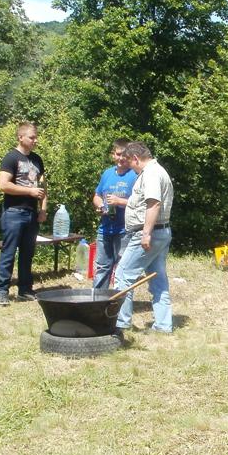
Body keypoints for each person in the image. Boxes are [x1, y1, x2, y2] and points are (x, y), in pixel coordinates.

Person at [114, 141, 174, 335]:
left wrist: (146, 234)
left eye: (132, 165)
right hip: (161, 232)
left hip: (149, 233)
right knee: (158, 279)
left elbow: (154, 204)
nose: (132, 169)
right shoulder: (159, 171)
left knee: (123, 275)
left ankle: (120, 323)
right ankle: (163, 325)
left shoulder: (151, 174)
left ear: (136, 158)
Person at [0, 122, 47, 306]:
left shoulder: (37, 159)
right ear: (21, 137)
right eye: (32, 137)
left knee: (27, 254)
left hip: (32, 214)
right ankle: (1, 291)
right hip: (14, 213)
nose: (35, 140)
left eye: (35, 137)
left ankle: (25, 289)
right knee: (9, 253)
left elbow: (43, 186)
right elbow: (3, 185)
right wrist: (29, 192)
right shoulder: (11, 158)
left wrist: (43, 209)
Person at [91, 139, 137, 289]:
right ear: (113, 155)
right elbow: (97, 195)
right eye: (118, 154)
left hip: (124, 230)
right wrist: (100, 206)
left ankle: (120, 301)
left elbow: (139, 202)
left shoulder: (134, 175)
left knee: (123, 268)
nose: (121, 158)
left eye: (124, 155)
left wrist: (119, 201)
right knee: (102, 266)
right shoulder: (107, 173)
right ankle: (98, 300)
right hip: (105, 228)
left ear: (130, 156)